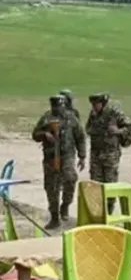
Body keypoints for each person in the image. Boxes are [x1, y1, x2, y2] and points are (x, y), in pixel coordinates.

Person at [31, 95, 86, 229]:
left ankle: (65, 205)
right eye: (54, 107)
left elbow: (80, 137)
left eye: (59, 107)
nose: (57, 109)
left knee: (70, 178)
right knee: (51, 186)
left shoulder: (71, 118)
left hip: (67, 155)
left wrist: (82, 156)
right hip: (50, 157)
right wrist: (44, 134)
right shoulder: (47, 117)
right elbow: (35, 134)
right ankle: (54, 217)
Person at [85, 93, 131, 183]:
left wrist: (118, 131)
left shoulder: (114, 112)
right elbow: (88, 128)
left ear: (103, 103)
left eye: (96, 104)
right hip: (95, 154)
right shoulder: (93, 114)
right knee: (95, 183)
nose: (94, 107)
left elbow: (130, 126)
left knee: (110, 182)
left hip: (110, 154)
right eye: (93, 105)